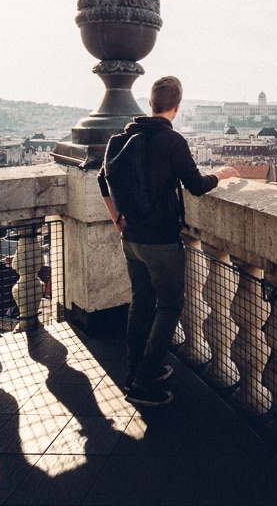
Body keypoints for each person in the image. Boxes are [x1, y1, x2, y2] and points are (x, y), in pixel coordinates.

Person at [100, 75, 237, 407]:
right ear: (177, 106)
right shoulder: (171, 141)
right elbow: (196, 185)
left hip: (130, 236)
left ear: (150, 103)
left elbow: (103, 182)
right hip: (160, 239)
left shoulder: (120, 138)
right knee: (170, 306)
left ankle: (134, 369)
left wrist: (117, 218)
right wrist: (223, 173)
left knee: (140, 303)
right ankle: (144, 381)